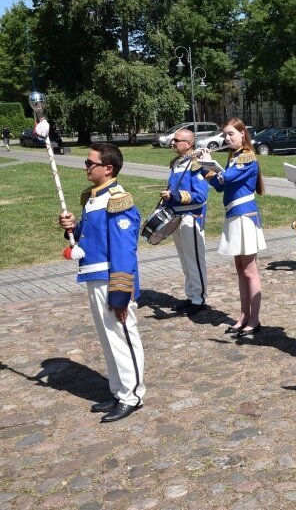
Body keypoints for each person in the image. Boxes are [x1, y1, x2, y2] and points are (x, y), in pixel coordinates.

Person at [58, 143, 145, 422]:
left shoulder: (118, 200)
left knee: (123, 338)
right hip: (94, 277)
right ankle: (119, 391)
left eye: (90, 163)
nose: (86, 167)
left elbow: (123, 250)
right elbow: (90, 236)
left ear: (108, 168)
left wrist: (120, 293)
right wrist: (72, 227)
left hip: (112, 280)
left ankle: (133, 395)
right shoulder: (94, 198)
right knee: (109, 340)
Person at [201, 118, 266, 338]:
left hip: (244, 216)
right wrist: (203, 167)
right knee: (240, 270)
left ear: (242, 134)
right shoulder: (234, 157)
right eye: (225, 135)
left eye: (231, 134)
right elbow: (219, 186)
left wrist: (209, 162)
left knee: (250, 270)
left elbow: (226, 177)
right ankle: (243, 316)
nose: (227, 139)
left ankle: (254, 319)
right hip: (233, 215)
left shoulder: (247, 156)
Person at [163, 129, 209, 316]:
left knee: (195, 259)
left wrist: (174, 195)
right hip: (177, 216)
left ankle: (200, 298)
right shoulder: (177, 163)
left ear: (189, 144)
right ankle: (191, 295)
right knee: (185, 260)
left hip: (192, 217)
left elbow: (201, 196)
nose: (173, 143)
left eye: (177, 140)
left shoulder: (196, 164)